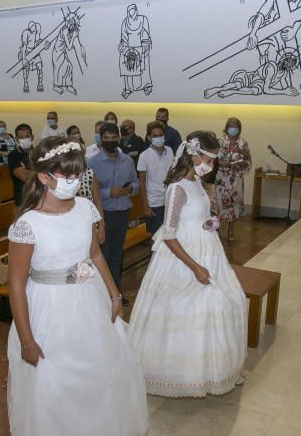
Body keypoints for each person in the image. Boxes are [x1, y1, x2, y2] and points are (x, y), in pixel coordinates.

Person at [6, 137, 148, 436]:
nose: (73, 180)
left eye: (77, 173)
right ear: (43, 177)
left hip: (89, 298)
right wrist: (26, 338)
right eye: (64, 174)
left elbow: (95, 254)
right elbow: (15, 285)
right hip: (50, 307)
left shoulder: (85, 208)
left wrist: (114, 295)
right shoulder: (28, 224)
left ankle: (97, 435)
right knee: (57, 381)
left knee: (100, 368)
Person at [128, 132, 247, 397]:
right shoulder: (178, 188)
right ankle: (183, 376)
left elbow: (194, 217)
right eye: (209, 158)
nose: (212, 164)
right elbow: (169, 233)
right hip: (185, 258)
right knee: (195, 311)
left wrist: (209, 221)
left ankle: (213, 370)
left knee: (228, 303)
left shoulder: (198, 183)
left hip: (207, 249)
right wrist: (195, 267)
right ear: (194, 156)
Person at [86, 122, 138, 292]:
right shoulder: (92, 163)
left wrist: (130, 188)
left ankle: (115, 291)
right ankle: (103, 294)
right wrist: (109, 192)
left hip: (123, 212)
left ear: (119, 138)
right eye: (106, 138)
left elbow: (136, 182)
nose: (110, 141)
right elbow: (87, 192)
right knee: (103, 255)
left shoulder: (127, 160)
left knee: (117, 254)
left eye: (113, 138)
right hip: (103, 214)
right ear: (101, 139)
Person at [216, 117, 252, 242]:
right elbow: (213, 160)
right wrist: (223, 164)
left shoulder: (243, 143)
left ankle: (231, 232)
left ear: (239, 128)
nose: (233, 128)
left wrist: (237, 164)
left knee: (234, 205)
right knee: (219, 205)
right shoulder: (219, 142)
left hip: (236, 179)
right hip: (221, 179)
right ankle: (218, 231)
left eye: (236, 126)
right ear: (226, 128)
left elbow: (248, 162)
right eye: (231, 125)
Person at [137, 121, 174, 236]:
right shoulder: (144, 156)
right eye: (155, 136)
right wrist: (145, 206)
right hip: (154, 202)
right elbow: (141, 182)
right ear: (149, 137)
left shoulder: (170, 151)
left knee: (169, 234)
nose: (159, 138)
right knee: (155, 237)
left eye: (161, 135)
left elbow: (172, 173)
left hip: (169, 199)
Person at [8, 124, 34, 205]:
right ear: (16, 139)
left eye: (27, 136)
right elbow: (25, 177)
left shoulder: (39, 152)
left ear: (32, 137)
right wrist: (42, 170)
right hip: (22, 198)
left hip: (39, 196)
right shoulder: (13, 155)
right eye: (21, 137)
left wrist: (27, 170)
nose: (24, 139)